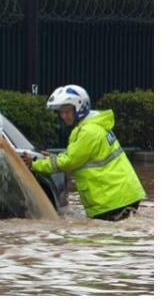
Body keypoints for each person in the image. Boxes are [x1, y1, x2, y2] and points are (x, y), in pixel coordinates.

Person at [22, 85, 146, 221]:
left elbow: (69, 162)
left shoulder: (88, 132)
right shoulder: (93, 126)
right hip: (121, 195)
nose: (63, 116)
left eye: (67, 111)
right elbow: (78, 156)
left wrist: (34, 164)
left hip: (112, 199)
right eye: (61, 112)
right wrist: (54, 158)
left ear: (80, 108)